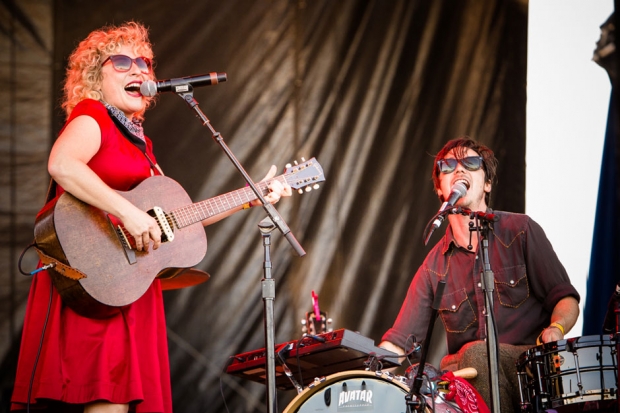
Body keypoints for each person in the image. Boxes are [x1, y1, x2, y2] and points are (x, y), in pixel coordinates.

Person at [11, 21, 292, 413]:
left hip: (128, 288)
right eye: (122, 62)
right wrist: (128, 213)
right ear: (96, 76)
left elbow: (179, 220)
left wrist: (252, 197)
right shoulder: (93, 116)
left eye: (144, 62)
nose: (139, 70)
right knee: (105, 400)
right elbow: (62, 164)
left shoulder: (141, 145)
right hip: (93, 277)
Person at [380, 137, 580, 413]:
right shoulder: (434, 265)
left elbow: (566, 300)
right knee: (419, 381)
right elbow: (399, 341)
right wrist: (361, 373)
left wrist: (556, 329)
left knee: (477, 354)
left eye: (471, 163)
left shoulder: (521, 230)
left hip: (529, 369)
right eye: (447, 166)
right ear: (440, 189)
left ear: (486, 184)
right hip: (466, 380)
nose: (459, 170)